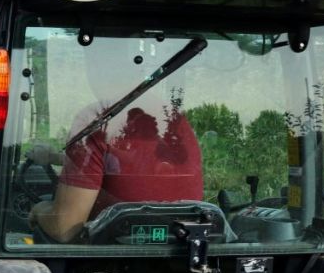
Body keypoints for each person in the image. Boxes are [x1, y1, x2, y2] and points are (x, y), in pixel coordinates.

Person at [28, 39, 203, 243]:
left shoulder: (97, 120)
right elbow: (126, 166)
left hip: (112, 258)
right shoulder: (173, 120)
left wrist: (41, 210)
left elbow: (65, 228)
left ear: (95, 70)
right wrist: (52, 157)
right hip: (182, 251)